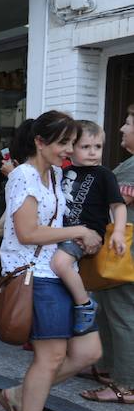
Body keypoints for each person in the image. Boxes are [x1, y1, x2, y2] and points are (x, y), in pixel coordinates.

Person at [0, 111, 103, 411]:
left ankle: (17, 395)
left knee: (89, 352)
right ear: (40, 142)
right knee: (52, 357)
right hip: (35, 276)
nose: (69, 150)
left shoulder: (56, 175)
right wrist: (79, 232)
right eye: (63, 143)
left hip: (59, 273)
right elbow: (27, 233)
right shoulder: (24, 176)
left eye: (73, 143)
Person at [49, 121, 127, 334]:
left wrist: (118, 232)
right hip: (64, 233)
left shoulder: (104, 175)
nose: (93, 153)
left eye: (98, 147)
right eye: (85, 147)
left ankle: (85, 305)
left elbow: (118, 206)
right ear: (70, 148)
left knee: (60, 263)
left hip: (87, 235)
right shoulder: (60, 173)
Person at [86, 105, 134, 405]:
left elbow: (110, 203)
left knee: (122, 315)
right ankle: (108, 368)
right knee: (112, 312)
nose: (122, 128)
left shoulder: (130, 168)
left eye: (128, 122)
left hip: (123, 254)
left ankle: (125, 386)